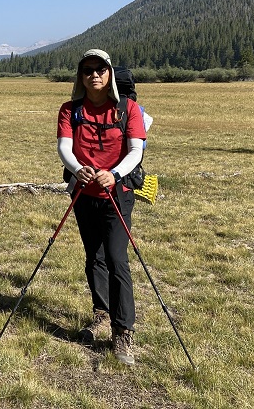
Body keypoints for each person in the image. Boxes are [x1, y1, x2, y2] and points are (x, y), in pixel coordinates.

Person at [56, 49, 147, 366]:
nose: (94, 74)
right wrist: (77, 167)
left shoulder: (128, 109)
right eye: (87, 70)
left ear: (109, 74)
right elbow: (64, 148)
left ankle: (123, 331)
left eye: (100, 69)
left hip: (117, 194)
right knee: (93, 256)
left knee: (116, 258)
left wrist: (115, 174)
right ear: (80, 77)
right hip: (83, 194)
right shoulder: (70, 110)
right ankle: (102, 315)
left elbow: (136, 150)